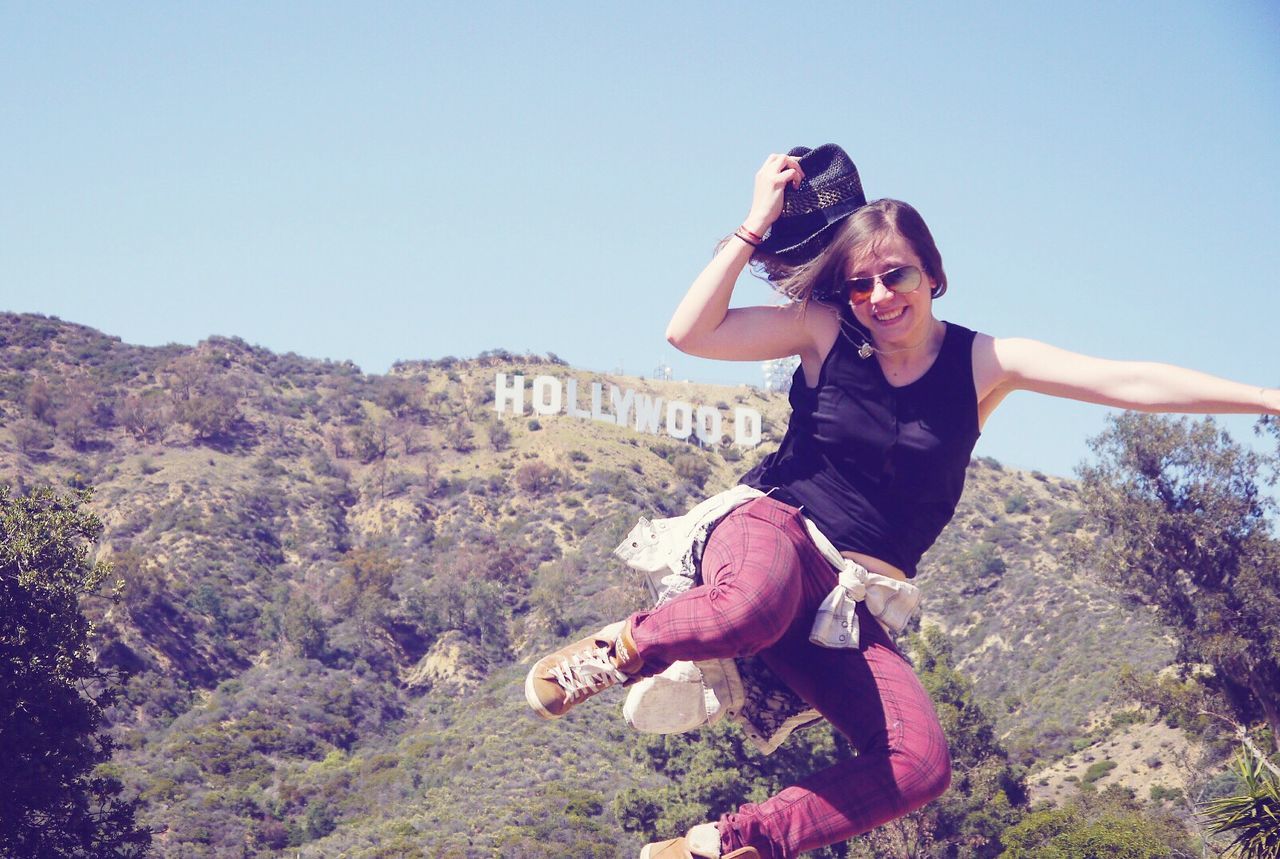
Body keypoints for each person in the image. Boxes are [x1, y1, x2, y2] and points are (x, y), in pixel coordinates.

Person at [524, 144, 1280, 859]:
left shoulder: (984, 363)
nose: (879, 297)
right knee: (747, 605)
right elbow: (688, 333)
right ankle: (613, 651)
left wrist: (1264, 397)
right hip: (772, 531)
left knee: (919, 762)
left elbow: (1127, 381)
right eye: (861, 283)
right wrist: (753, 225)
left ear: (933, 276)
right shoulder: (824, 331)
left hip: (845, 603)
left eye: (898, 276)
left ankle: (726, 842)